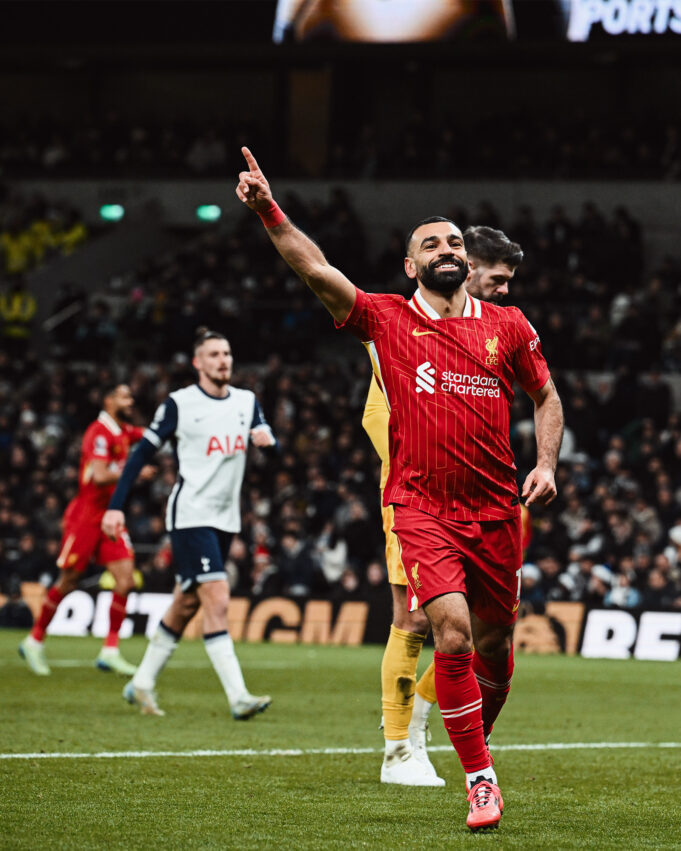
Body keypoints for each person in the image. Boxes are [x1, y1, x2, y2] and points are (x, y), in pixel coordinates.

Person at [236, 148, 563, 831]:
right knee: (446, 633)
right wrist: (268, 208)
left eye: (452, 240)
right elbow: (313, 267)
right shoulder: (384, 318)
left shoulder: (508, 324)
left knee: (494, 645)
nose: (445, 248)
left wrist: (546, 463)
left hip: (496, 507)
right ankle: (477, 778)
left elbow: (546, 394)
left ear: (464, 260)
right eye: (429, 244)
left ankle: (470, 737)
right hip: (420, 506)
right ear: (411, 265)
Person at [362, 225, 525, 788]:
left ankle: (426, 731)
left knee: (481, 635)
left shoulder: (497, 330)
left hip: (483, 500)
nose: (503, 292)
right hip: (417, 495)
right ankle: (399, 748)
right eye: (497, 280)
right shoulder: (403, 323)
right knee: (414, 620)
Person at [101, 327, 276, 720]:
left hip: (226, 516)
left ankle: (142, 683)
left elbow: (267, 439)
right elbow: (139, 456)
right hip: (191, 514)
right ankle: (238, 696)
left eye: (227, 353)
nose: (223, 360)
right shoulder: (179, 404)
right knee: (217, 596)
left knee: (186, 603)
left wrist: (270, 442)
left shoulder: (247, 402)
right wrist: (116, 506)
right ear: (198, 362)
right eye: (213, 354)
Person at [19, 383, 153, 676]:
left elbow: (151, 434)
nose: (130, 400)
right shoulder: (98, 432)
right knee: (68, 581)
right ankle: (34, 641)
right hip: (86, 518)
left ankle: (110, 651)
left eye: (131, 395)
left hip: (111, 517)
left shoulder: (123, 431)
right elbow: (102, 474)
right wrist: (134, 470)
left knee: (126, 580)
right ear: (108, 400)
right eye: (124, 395)